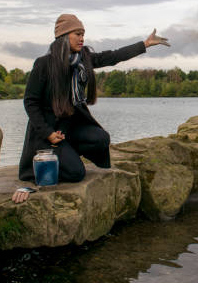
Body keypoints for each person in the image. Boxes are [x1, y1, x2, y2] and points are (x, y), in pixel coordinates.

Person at [12, 14, 169, 203]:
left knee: (101, 138)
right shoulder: (44, 64)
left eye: (83, 34)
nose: (82, 38)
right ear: (63, 36)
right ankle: (54, 160)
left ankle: (66, 152)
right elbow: (30, 102)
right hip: (50, 133)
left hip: (70, 129)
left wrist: (144, 44)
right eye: (77, 34)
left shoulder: (82, 59)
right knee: (77, 173)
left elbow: (112, 56)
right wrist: (47, 133)